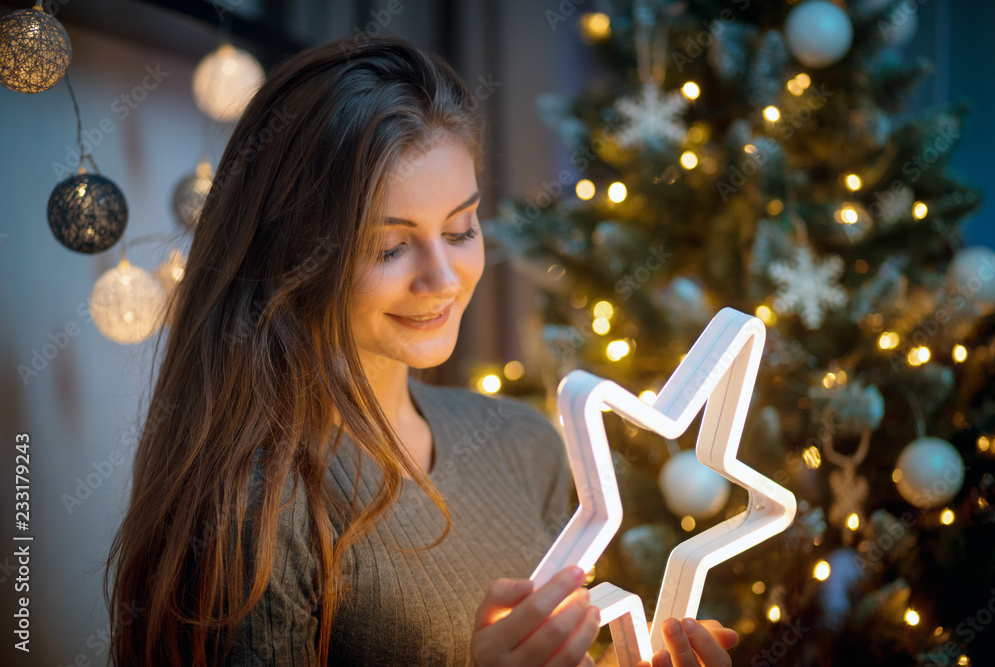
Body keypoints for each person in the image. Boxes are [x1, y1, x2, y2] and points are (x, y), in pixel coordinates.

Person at [103, 35, 737, 667]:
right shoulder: (257, 510)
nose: (443, 278)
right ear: (293, 254)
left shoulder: (525, 444)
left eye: (461, 230)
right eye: (389, 247)